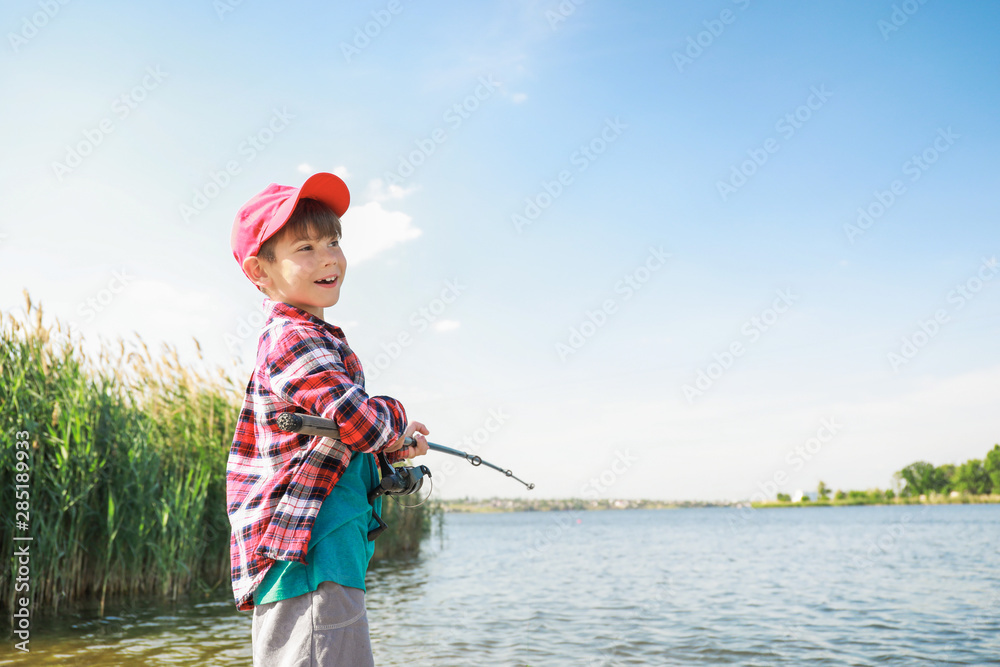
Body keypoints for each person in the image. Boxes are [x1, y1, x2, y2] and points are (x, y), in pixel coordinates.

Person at [227, 171, 429, 666]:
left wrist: (389, 444)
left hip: (327, 553)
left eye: (334, 241)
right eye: (306, 247)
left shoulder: (315, 335)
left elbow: (348, 432)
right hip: (310, 553)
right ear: (261, 272)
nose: (328, 257)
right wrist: (396, 419)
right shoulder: (292, 336)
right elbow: (358, 419)